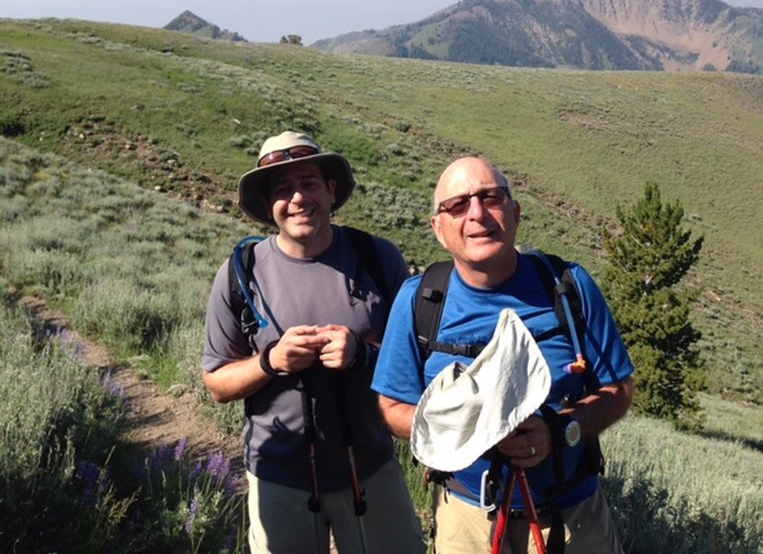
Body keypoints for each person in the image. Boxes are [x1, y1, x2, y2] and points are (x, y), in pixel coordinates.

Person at [372, 156, 635, 554]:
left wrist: (561, 429)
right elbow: (392, 405)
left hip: (573, 517)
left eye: (490, 198)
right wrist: (469, 429)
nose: (477, 214)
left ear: (514, 213)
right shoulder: (420, 300)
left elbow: (619, 389)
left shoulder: (568, 286)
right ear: (438, 229)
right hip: (466, 520)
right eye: (457, 205)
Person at [202, 130, 426, 554]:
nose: (299, 198)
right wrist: (271, 361)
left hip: (371, 467)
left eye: (309, 184)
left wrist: (362, 354)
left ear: (331, 190)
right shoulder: (239, 274)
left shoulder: (378, 257)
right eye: (283, 189)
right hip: (277, 476)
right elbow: (216, 383)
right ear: (270, 205)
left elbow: (417, 359)